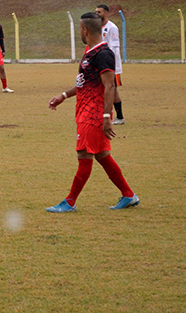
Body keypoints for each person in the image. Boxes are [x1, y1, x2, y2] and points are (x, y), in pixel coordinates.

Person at [46, 12, 139, 213]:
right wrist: (63, 96)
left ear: (85, 30)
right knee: (103, 156)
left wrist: (107, 117)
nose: (80, 32)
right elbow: (83, 83)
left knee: (84, 155)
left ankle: (69, 202)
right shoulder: (90, 52)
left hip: (94, 114)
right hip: (85, 111)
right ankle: (128, 194)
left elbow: (110, 87)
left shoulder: (103, 54)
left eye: (80, 29)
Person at [96, 4, 124, 124]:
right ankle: (102, 114)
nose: (97, 14)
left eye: (99, 12)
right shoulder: (96, 27)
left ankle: (120, 117)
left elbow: (114, 47)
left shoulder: (112, 27)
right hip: (100, 63)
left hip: (110, 65)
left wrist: (111, 63)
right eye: (96, 12)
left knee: (112, 90)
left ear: (106, 13)